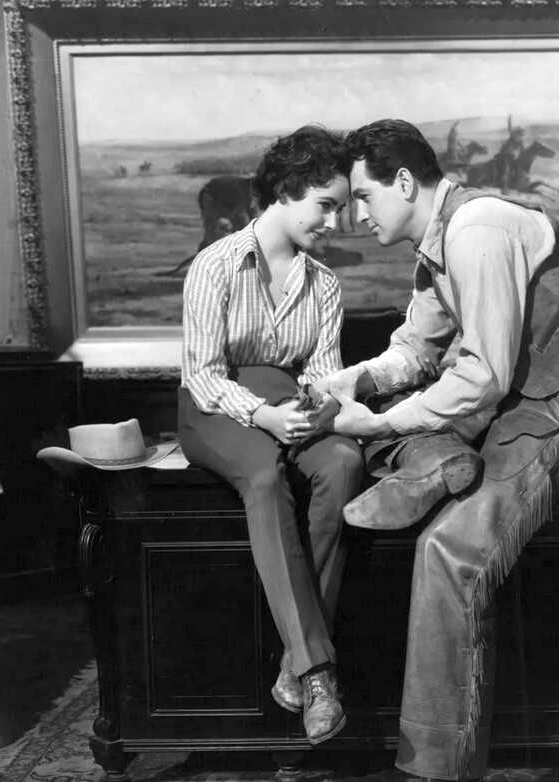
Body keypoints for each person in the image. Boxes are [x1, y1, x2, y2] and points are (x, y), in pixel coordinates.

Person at [315, 119, 559, 781]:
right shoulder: (437, 246)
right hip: (529, 394)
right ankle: (433, 461)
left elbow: (483, 375)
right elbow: (415, 350)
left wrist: (374, 426)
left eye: (364, 197)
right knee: (398, 425)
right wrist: (356, 382)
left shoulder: (477, 228)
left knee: (451, 549)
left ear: (403, 182)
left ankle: (439, 769)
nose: (356, 216)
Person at [178, 125, 363, 745]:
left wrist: (315, 406)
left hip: (289, 404)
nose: (335, 222)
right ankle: (316, 673)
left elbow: (323, 372)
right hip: (214, 407)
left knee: (343, 463)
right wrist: (263, 416)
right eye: (326, 206)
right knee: (262, 476)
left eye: (341, 208)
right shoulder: (216, 264)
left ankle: (294, 659)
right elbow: (202, 374)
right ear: (286, 190)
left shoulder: (325, 283)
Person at [493, 114, 525, 193]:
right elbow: (509, 127)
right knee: (506, 169)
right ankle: (504, 188)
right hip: (504, 156)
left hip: (512, 157)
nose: (520, 135)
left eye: (521, 134)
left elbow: (522, 150)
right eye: (519, 133)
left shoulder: (520, 141)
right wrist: (509, 120)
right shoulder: (512, 136)